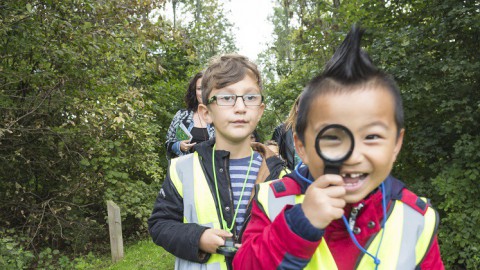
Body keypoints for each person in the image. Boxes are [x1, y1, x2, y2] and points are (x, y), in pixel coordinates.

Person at [233, 26, 444, 269]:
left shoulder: (416, 219)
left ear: (396, 144)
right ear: (300, 146)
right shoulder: (274, 200)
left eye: (372, 136)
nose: (353, 156)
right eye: (333, 137)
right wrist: (300, 223)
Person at [148, 54, 288, 270]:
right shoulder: (183, 170)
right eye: (226, 98)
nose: (240, 107)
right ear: (206, 112)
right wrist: (198, 237)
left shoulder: (281, 176)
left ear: (260, 111)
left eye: (250, 98)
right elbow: (160, 224)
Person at [165, 71, 215, 159]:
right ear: (194, 91)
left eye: (206, 88)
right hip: (186, 170)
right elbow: (168, 143)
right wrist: (179, 146)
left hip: (213, 170)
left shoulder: (221, 117)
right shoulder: (181, 116)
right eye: (199, 88)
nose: (203, 92)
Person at [271, 96, 301, 170]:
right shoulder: (281, 130)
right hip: (287, 177)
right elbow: (271, 158)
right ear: (297, 107)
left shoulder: (318, 131)